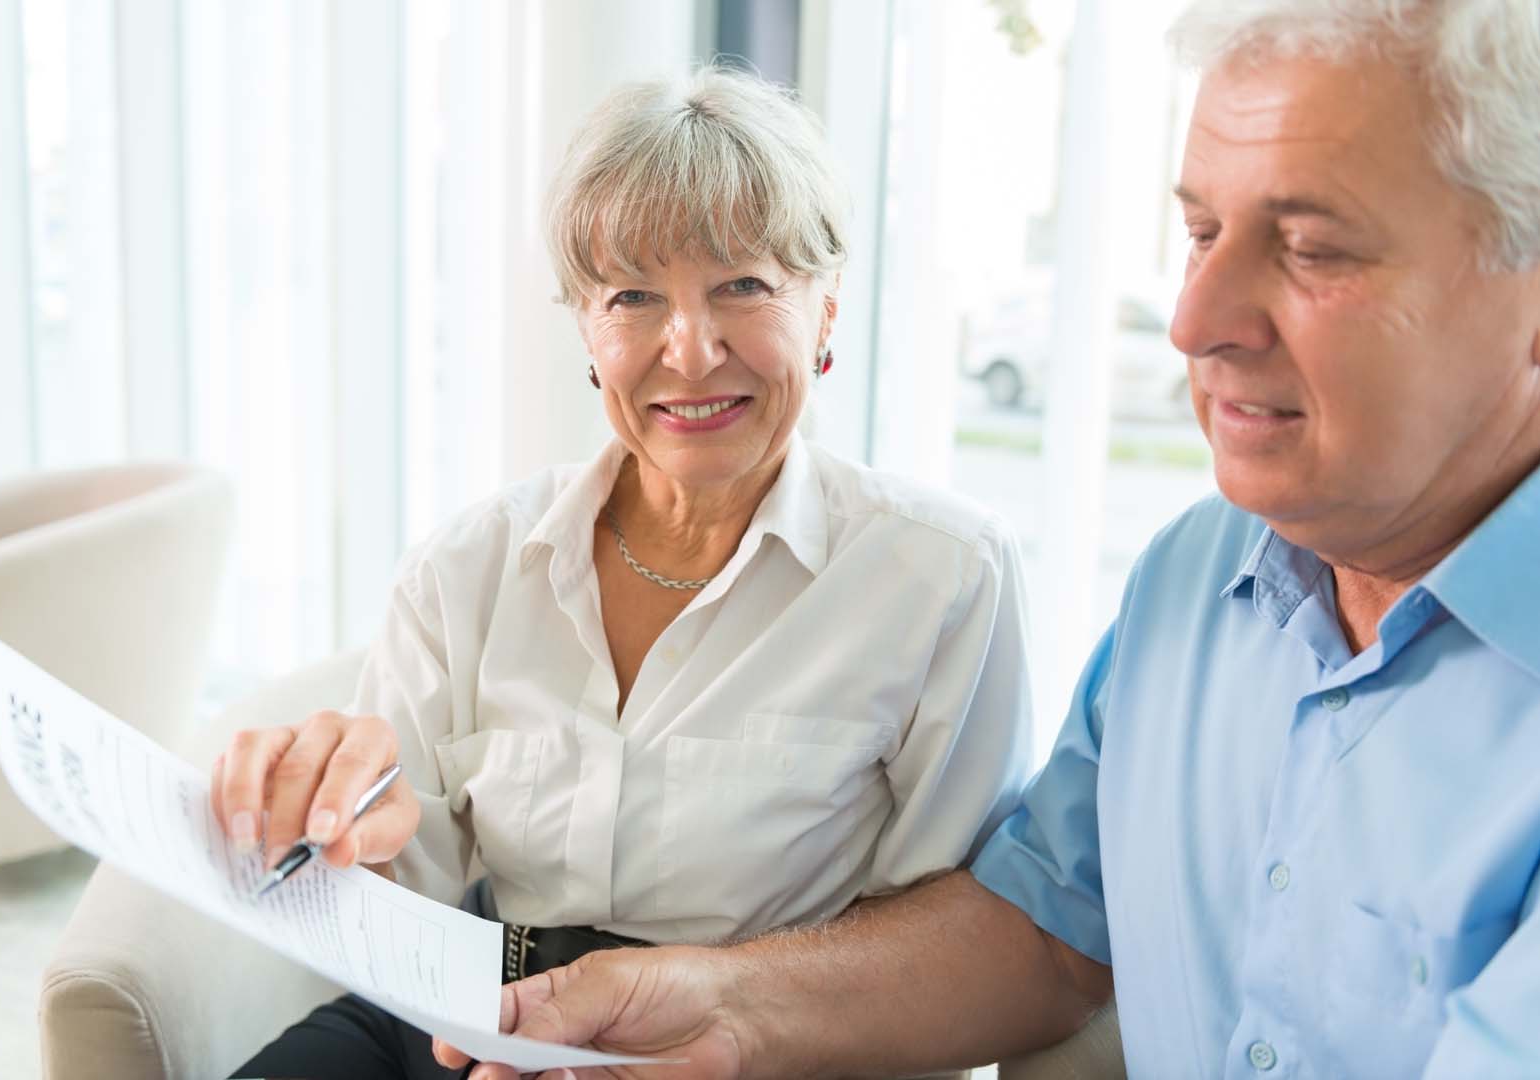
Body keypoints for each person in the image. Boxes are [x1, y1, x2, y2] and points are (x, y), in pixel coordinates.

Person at [454, 1, 1540, 1076]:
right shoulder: (1191, 581)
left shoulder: (938, 569)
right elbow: (1043, 936)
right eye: (1201, 233)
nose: (1193, 320)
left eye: (1310, 249)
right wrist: (721, 1011)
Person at [214, 66, 1034, 1080]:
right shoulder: (469, 565)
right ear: (588, 337)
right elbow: (394, 903)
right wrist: (329, 821)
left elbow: (952, 948)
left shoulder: (940, 577)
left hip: (751, 1048)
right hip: (463, 1024)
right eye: (633, 296)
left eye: (743, 285)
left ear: (825, 314)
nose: (688, 353)